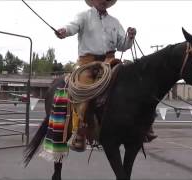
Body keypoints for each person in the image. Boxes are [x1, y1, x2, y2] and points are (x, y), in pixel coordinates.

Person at [55, 0, 157, 151]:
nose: (103, 1)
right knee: (82, 90)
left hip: (111, 61)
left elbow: (123, 45)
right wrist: (64, 31)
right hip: (87, 63)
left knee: (134, 79)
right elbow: (72, 26)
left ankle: (145, 125)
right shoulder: (84, 16)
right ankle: (80, 131)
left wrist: (129, 37)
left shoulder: (114, 22)